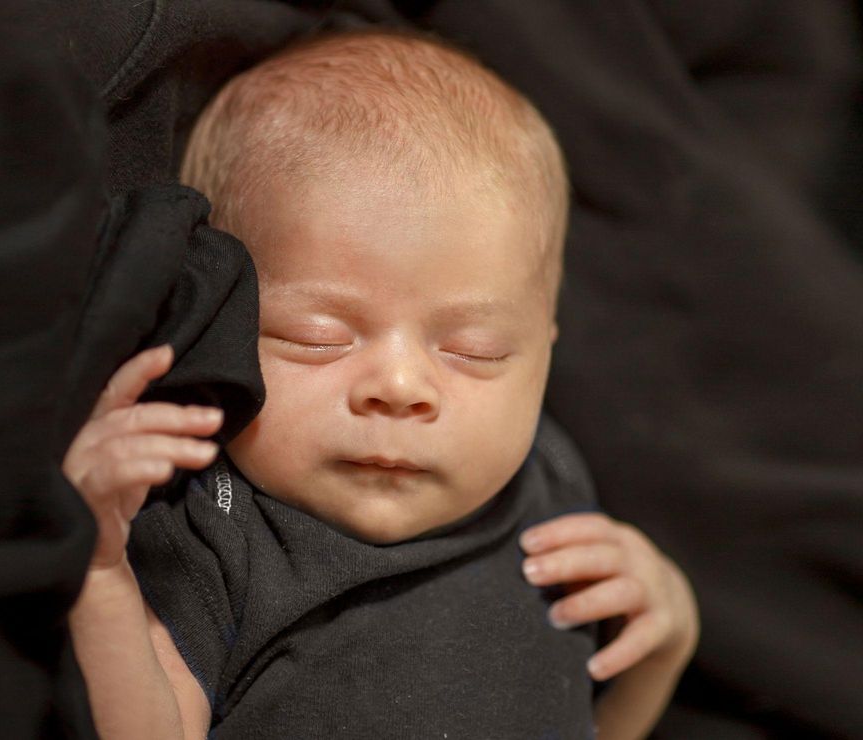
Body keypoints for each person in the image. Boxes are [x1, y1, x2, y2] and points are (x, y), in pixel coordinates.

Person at [63, 31, 697, 739]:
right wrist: (99, 573)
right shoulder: (218, 531)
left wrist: (661, 643)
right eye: (319, 338)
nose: (399, 387)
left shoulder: (551, 492)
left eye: (474, 351)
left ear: (545, 350)